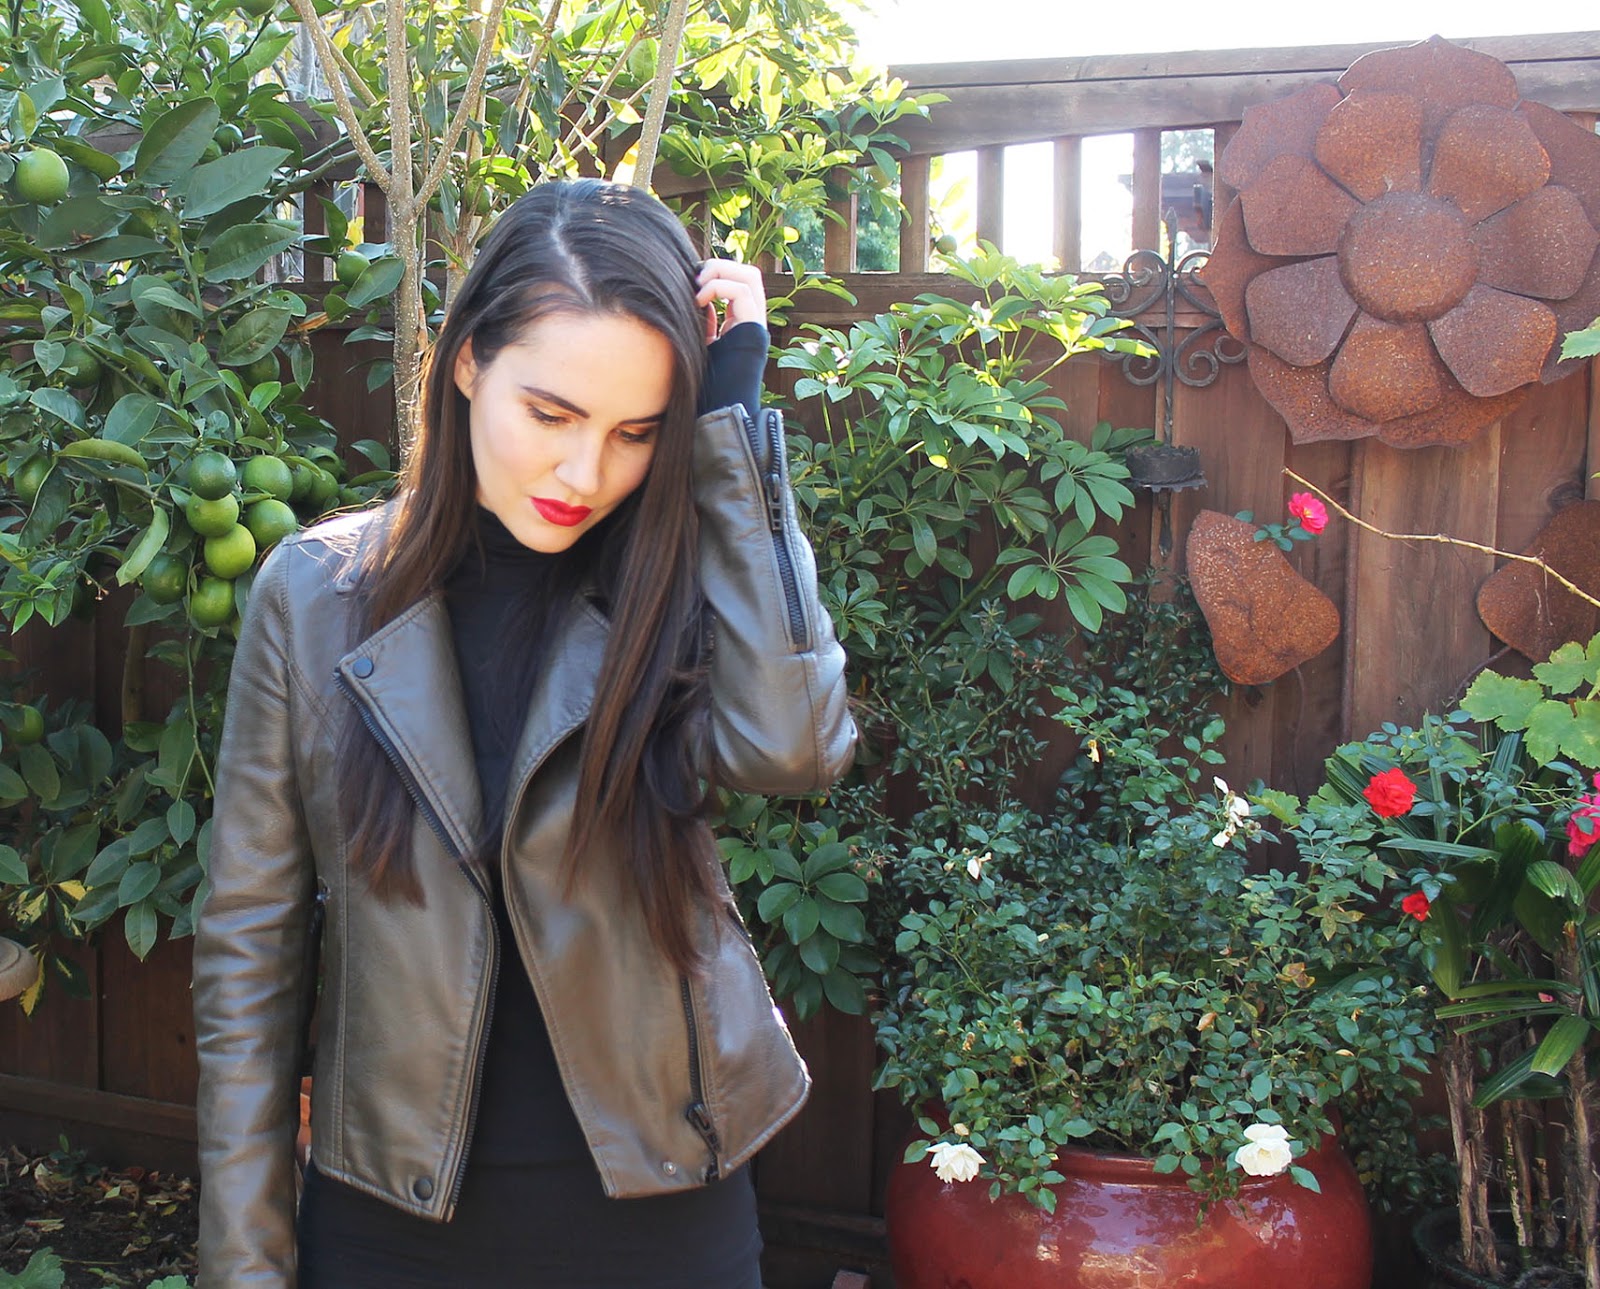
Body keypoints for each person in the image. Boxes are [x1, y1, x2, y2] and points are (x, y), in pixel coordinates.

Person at [192, 178, 856, 1288]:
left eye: (637, 432)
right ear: (466, 362)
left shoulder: (680, 586)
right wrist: (244, 1267)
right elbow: (249, 949)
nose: (585, 474)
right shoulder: (315, 596)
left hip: (664, 1224)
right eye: (550, 414)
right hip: (390, 1229)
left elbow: (795, 749)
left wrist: (732, 432)